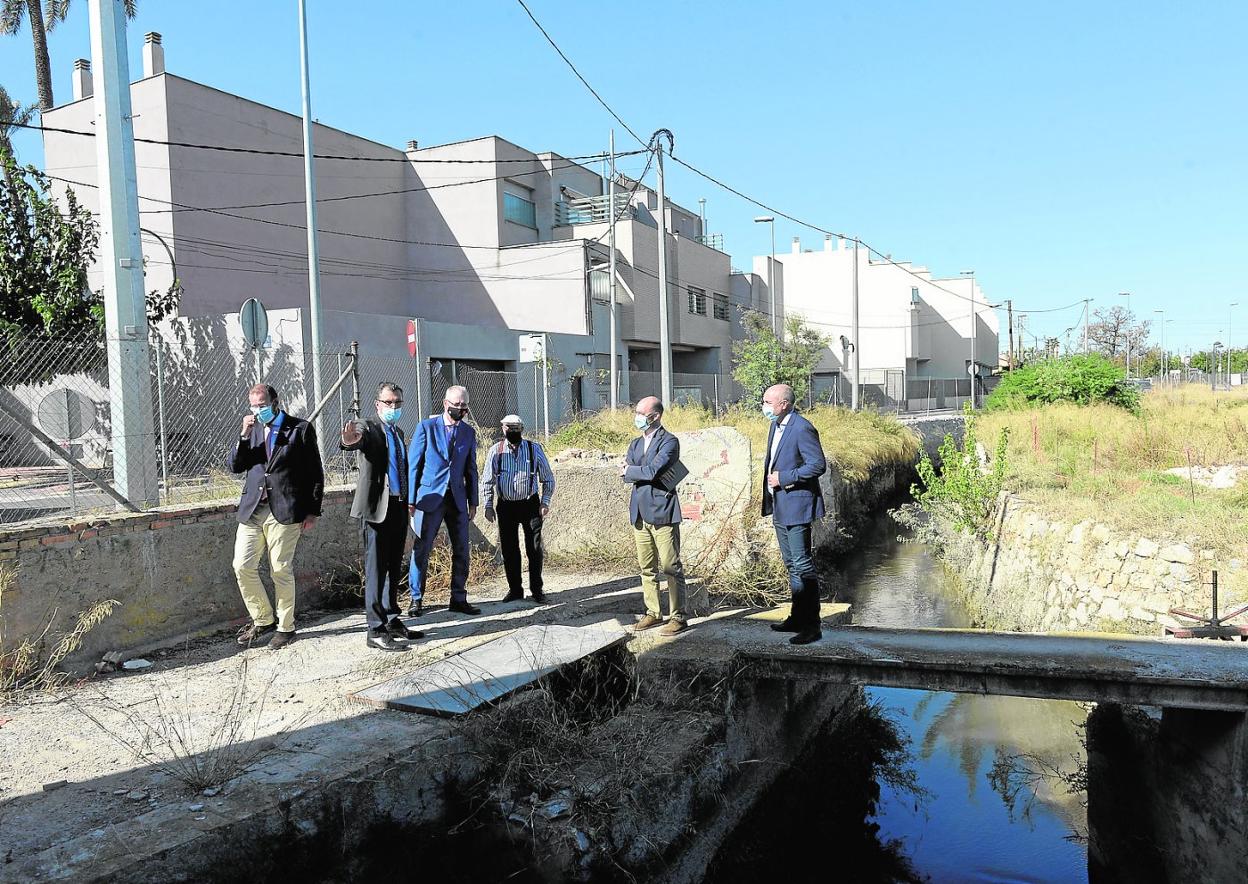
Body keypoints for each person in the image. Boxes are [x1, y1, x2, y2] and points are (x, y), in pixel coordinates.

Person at [230, 383, 323, 649]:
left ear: (274, 402)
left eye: (261, 405)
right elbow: (236, 466)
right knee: (242, 566)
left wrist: (312, 511)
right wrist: (244, 435)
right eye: (253, 405)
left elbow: (314, 472)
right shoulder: (253, 430)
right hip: (253, 509)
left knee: (280, 569)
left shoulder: (300, 429)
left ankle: (285, 627)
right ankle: (263, 619)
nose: (257, 410)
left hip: (285, 509)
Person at [341, 383, 423, 652]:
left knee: (392, 566)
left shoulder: (398, 432)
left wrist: (409, 500)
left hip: (398, 507)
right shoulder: (370, 426)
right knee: (376, 569)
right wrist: (350, 440)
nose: (393, 408)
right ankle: (374, 629)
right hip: (377, 510)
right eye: (388, 403)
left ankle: (391, 618)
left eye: (397, 403)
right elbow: (355, 439)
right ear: (377, 404)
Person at [761, 383, 828, 645]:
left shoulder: (802, 427)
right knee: (791, 565)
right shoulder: (776, 425)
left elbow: (817, 465)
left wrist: (784, 478)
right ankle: (797, 617)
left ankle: (813, 625)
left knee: (802, 564)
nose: (763, 407)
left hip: (798, 505)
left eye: (768, 402)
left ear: (784, 404)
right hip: (780, 504)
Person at [407, 385, 480, 616]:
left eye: (464, 406)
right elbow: (413, 466)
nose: (460, 409)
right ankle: (416, 599)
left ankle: (458, 598)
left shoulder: (468, 433)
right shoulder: (426, 428)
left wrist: (473, 501)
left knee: (462, 550)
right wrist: (411, 499)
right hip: (430, 499)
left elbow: (471, 469)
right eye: (456, 405)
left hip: (457, 499)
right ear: (445, 403)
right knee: (422, 548)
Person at [620, 396, 688, 635]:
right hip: (639, 511)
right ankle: (653, 612)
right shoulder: (635, 444)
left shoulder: (669, 441)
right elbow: (632, 472)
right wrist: (633, 471)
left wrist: (631, 471)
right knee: (646, 567)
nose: (637, 416)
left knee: (670, 566)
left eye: (641, 412)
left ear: (655, 415)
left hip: (663, 511)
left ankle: (678, 616)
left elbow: (653, 471)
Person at [482, 414, 555, 604]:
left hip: (530, 504)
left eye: (516, 428)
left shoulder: (534, 449)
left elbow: (548, 478)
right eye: (509, 428)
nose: (512, 431)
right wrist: (488, 506)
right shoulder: (495, 451)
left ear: (521, 429)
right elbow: (487, 481)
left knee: (534, 548)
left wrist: (545, 502)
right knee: (509, 549)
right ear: (502, 429)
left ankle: (537, 590)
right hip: (506, 506)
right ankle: (515, 589)